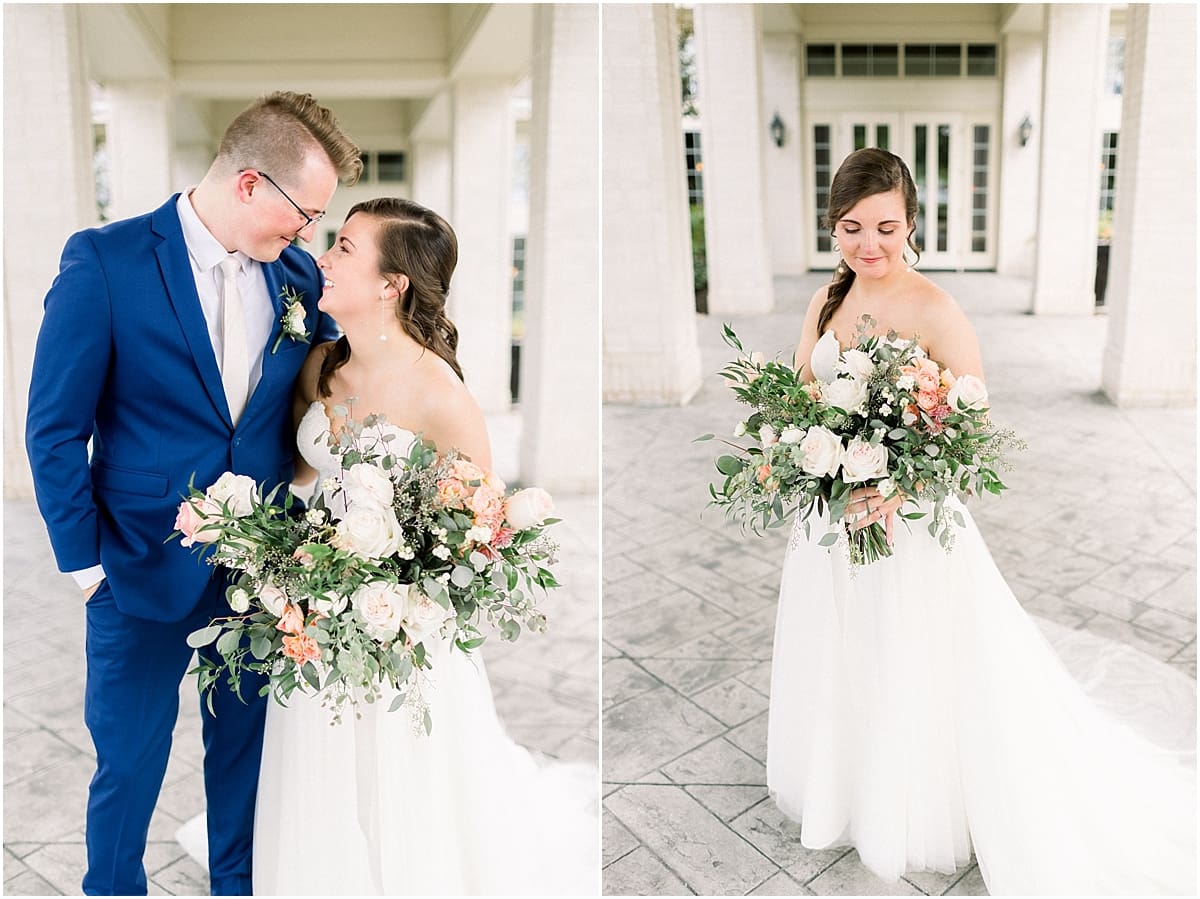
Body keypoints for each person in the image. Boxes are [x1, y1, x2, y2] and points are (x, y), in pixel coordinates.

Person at [768, 148, 1195, 894]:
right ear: (833, 228)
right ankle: (850, 781)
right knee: (845, 651)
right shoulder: (824, 301)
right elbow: (802, 395)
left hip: (909, 530)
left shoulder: (936, 308)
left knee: (911, 658)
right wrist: (803, 452)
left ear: (912, 226)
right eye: (852, 228)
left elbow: (970, 421)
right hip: (832, 522)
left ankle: (911, 797)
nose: (870, 245)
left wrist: (897, 486)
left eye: (886, 227)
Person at [24, 91, 361, 895]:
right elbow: (52, 430)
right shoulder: (103, 262)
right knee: (128, 767)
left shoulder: (299, 278)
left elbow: (331, 387)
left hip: (262, 578)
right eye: (304, 213)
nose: (309, 232)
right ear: (250, 184)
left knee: (248, 769)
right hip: (135, 570)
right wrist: (87, 569)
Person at [247, 197, 598, 895]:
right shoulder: (320, 364)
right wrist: (296, 559)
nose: (323, 257)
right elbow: (304, 476)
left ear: (391, 283)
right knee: (322, 763)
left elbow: (482, 532)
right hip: (319, 615)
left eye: (345, 247)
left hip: (403, 628)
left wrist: (398, 589)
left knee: (408, 779)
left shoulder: (440, 394)